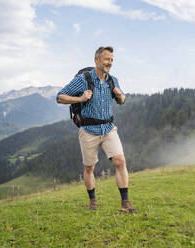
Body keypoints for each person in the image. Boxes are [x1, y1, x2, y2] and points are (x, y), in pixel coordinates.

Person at [56, 46, 137, 213]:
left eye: (112, 60)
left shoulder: (112, 80)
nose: (110, 63)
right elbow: (60, 97)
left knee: (120, 161)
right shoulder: (83, 79)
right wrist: (80, 98)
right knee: (89, 168)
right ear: (97, 60)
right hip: (88, 130)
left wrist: (121, 96)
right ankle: (92, 200)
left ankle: (125, 202)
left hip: (108, 128)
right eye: (107, 59)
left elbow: (121, 100)